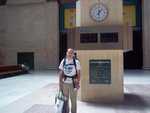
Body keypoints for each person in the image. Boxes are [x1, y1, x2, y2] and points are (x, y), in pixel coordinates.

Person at [58, 48, 81, 113]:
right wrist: (60, 84)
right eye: (69, 52)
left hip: (73, 84)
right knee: (65, 100)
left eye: (71, 53)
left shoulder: (76, 62)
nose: (70, 54)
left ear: (73, 54)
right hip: (65, 83)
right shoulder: (63, 61)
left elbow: (79, 73)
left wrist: (77, 83)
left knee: (73, 101)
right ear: (66, 53)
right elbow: (61, 72)